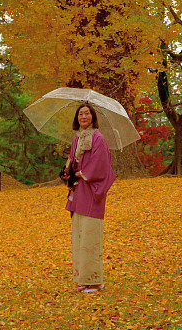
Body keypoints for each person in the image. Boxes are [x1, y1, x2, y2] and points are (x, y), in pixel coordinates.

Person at [63, 103, 116, 294]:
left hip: (92, 192)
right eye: (80, 114)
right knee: (79, 236)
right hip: (79, 193)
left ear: (92, 117)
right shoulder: (77, 140)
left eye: (87, 113)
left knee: (90, 237)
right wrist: (68, 172)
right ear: (77, 118)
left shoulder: (98, 138)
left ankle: (94, 281)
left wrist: (82, 173)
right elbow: (71, 160)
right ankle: (82, 279)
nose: (83, 116)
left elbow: (101, 164)